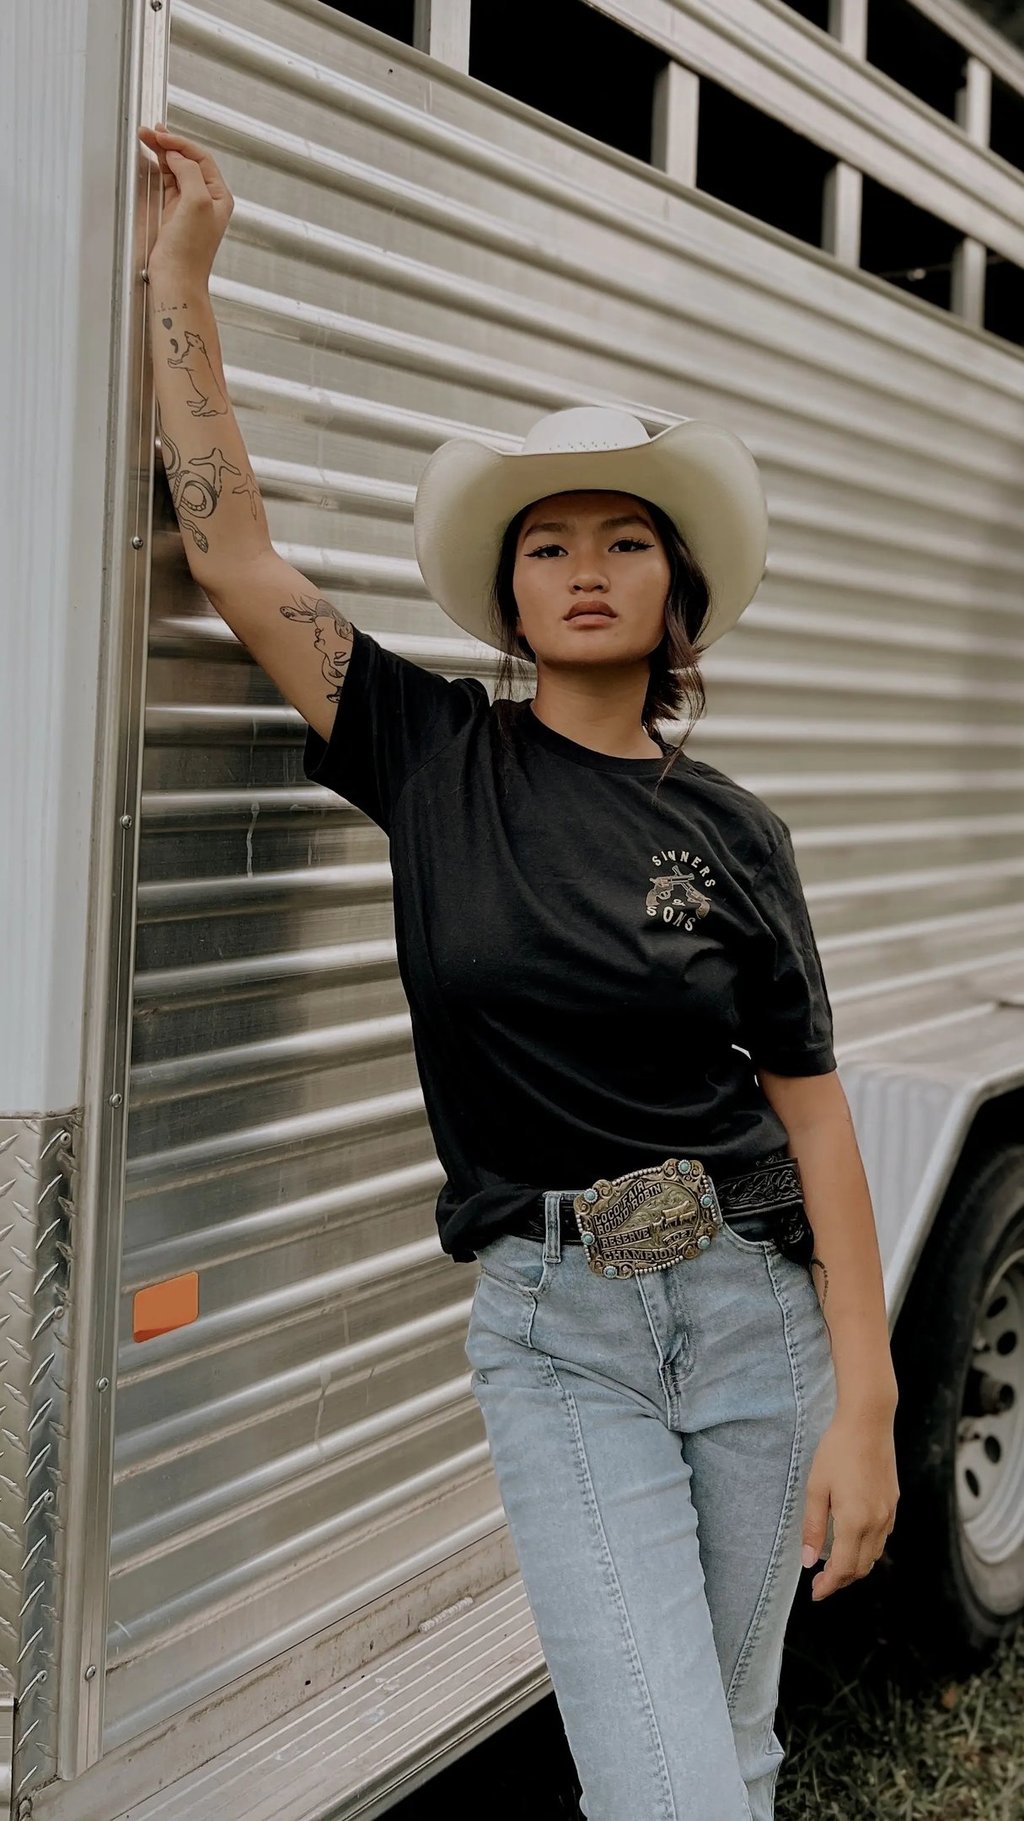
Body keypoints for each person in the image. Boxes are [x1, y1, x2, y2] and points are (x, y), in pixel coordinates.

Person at [139, 125, 900, 1821]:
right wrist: (180, 279)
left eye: (623, 541)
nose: (585, 569)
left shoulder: (740, 834)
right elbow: (234, 556)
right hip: (559, 1335)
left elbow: (816, 1115)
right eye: (549, 544)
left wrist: (868, 1395)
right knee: (664, 1782)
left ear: (676, 586)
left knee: (734, 1744)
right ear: (507, 590)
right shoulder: (430, 756)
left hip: (753, 1310)